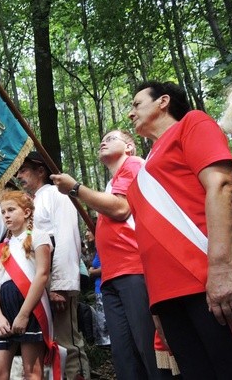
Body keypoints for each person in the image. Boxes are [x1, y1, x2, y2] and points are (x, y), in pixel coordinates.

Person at [126, 80, 232, 379]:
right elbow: (145, 242)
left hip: (206, 279)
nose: (130, 113)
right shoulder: (144, 169)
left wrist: (220, 269)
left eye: (136, 104)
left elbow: (220, 185)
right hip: (167, 297)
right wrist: (156, 310)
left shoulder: (192, 123)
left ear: (163, 101)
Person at [51, 130, 167, 379]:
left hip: (134, 268)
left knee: (147, 346)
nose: (103, 140)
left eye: (112, 138)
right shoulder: (111, 183)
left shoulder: (133, 165)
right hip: (112, 276)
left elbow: (122, 209)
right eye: (102, 138)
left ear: (130, 147)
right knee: (124, 354)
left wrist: (75, 188)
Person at [16, 151, 89, 380]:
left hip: (56, 279)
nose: (19, 176)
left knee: (66, 339)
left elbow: (66, 238)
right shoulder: (32, 202)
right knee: (47, 341)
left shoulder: (56, 195)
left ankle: (77, 375)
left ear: (41, 170)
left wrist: (59, 285)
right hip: (39, 278)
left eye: (24, 170)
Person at [0, 190, 53, 379]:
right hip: (4, 308)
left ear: (26, 212)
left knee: (32, 371)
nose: (6, 215)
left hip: (30, 306)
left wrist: (24, 315)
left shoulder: (40, 237)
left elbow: (42, 275)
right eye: (3, 212)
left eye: (11, 210)